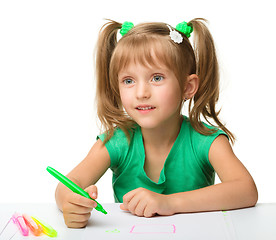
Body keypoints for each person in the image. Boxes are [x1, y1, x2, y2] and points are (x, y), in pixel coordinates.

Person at [55, 18, 258, 228]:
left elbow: (246, 190)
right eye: (128, 81)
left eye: (157, 78)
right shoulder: (117, 141)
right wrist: (73, 204)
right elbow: (65, 187)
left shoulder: (206, 140)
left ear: (188, 87)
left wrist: (169, 203)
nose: (141, 93)